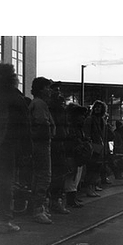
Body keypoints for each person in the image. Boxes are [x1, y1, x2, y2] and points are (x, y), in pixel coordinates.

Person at [0, 63, 31, 233]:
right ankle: (3, 221)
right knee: (5, 183)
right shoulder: (15, 97)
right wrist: (26, 151)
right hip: (6, 147)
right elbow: (24, 127)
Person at [29, 77, 56, 224]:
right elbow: (42, 124)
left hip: (39, 143)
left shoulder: (37, 103)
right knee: (44, 175)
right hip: (42, 144)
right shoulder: (40, 105)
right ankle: (38, 208)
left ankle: (38, 207)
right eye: (47, 87)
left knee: (39, 175)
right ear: (41, 89)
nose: (50, 91)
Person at [48, 86, 70, 214]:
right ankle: (54, 201)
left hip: (59, 142)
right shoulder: (52, 108)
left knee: (58, 173)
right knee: (56, 173)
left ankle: (54, 201)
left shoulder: (59, 109)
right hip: (55, 142)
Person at [64, 104, 91, 208]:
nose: (83, 117)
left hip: (77, 155)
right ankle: (70, 200)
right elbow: (71, 140)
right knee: (72, 177)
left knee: (76, 177)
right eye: (81, 115)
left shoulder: (79, 127)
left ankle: (72, 198)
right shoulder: (72, 127)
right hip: (72, 154)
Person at [84, 100, 112, 196]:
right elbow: (87, 132)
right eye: (96, 107)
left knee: (97, 168)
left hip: (100, 147)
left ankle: (93, 186)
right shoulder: (90, 119)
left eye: (99, 107)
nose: (97, 109)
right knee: (92, 168)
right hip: (94, 146)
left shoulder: (102, 121)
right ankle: (89, 187)